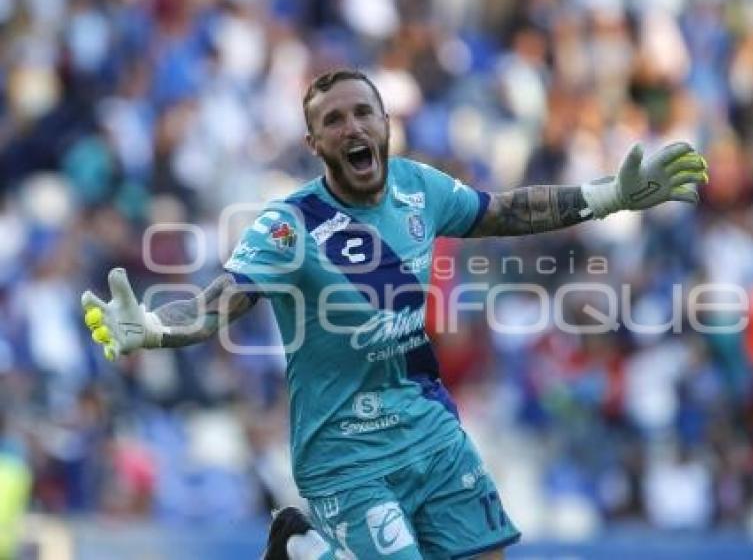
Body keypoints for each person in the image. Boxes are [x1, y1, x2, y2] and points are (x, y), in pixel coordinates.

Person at [81, 69, 708, 559]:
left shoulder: (419, 188)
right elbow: (226, 299)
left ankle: (306, 550)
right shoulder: (290, 225)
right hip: (342, 451)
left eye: (362, 112)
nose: (352, 127)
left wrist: (611, 196)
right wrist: (161, 328)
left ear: (385, 122)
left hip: (427, 428)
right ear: (314, 143)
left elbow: (505, 211)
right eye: (333, 120)